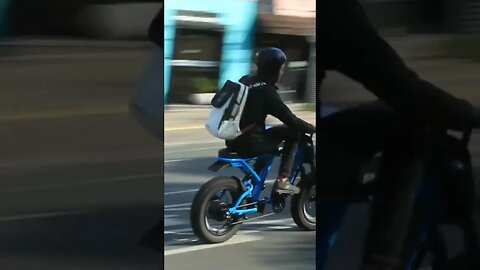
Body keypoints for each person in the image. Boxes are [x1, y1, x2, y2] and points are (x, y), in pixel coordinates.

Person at [317, 1, 480, 269]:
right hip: (322, 160)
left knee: (392, 113)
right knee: (412, 122)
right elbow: (400, 86)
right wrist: (467, 114)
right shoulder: (335, 11)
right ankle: (382, 260)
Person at [225, 47, 315, 195]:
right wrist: (311, 128)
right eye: (281, 68)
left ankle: (256, 176)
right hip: (251, 143)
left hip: (232, 138)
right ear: (273, 70)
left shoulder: (245, 80)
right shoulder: (267, 92)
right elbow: (290, 119)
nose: (282, 72)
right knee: (292, 132)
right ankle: (283, 180)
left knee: (270, 134)